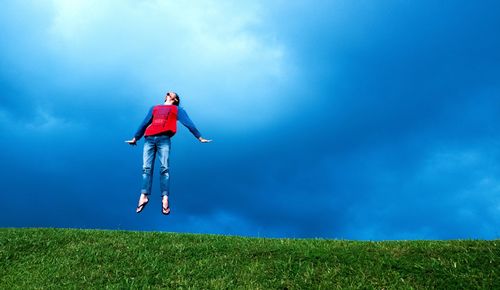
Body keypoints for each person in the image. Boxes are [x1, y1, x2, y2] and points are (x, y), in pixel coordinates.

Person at [125, 91, 212, 215]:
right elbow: (145, 122)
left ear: (175, 99)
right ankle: (144, 196)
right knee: (146, 168)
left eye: (171, 93)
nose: (167, 93)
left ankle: (165, 198)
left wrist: (199, 137)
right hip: (149, 139)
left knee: (164, 168)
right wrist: (135, 138)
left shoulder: (177, 109)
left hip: (164, 139)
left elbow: (188, 123)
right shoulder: (154, 108)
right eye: (167, 93)